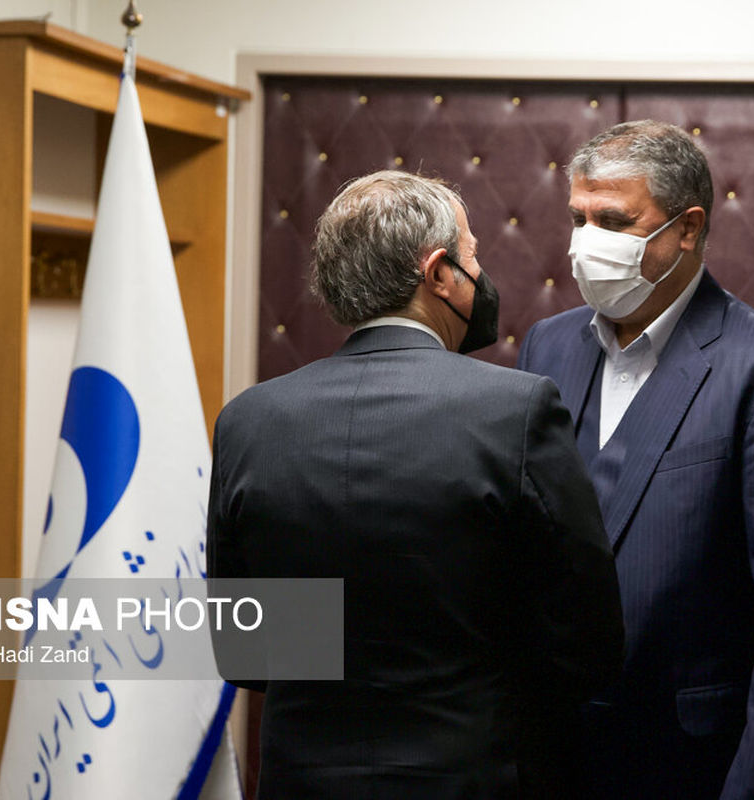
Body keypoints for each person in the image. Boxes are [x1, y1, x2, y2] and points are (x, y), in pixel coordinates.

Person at [207, 170, 624, 799]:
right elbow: (588, 641)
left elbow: (245, 650)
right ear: (438, 273)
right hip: (472, 777)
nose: (481, 275)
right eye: (473, 256)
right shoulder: (516, 409)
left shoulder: (247, 420)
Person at [517, 120, 754, 799]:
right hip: (554, 760)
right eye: (579, 219)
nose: (587, 243)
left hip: (696, 764)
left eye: (614, 221)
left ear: (688, 228)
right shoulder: (546, 346)